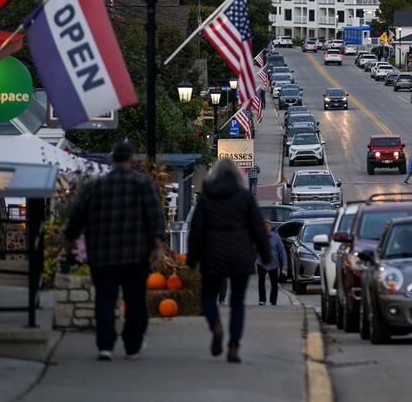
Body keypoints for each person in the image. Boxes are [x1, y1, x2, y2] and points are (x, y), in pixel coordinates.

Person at [64, 141, 165, 361]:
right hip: (136, 255)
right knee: (135, 300)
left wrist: (70, 239)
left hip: (103, 254)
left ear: (112, 161)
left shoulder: (95, 187)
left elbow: (77, 215)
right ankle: (132, 345)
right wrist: (157, 245)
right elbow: (155, 217)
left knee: (105, 300)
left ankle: (105, 345)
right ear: (130, 160)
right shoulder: (142, 186)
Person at [187, 159, 271, 364]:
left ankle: (215, 325)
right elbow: (258, 229)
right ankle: (234, 345)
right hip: (241, 253)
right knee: (237, 303)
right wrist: (265, 254)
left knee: (207, 296)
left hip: (212, 253)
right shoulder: (245, 197)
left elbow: (196, 230)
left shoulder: (206, 198)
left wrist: (192, 258)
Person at [257, 221, 287, 306]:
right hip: (261, 263)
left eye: (267, 226)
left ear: (270, 227)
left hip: (273, 264)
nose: (266, 228)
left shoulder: (276, 237)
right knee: (261, 281)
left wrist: (285, 264)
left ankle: (273, 300)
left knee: (274, 283)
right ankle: (262, 300)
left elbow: (282, 252)